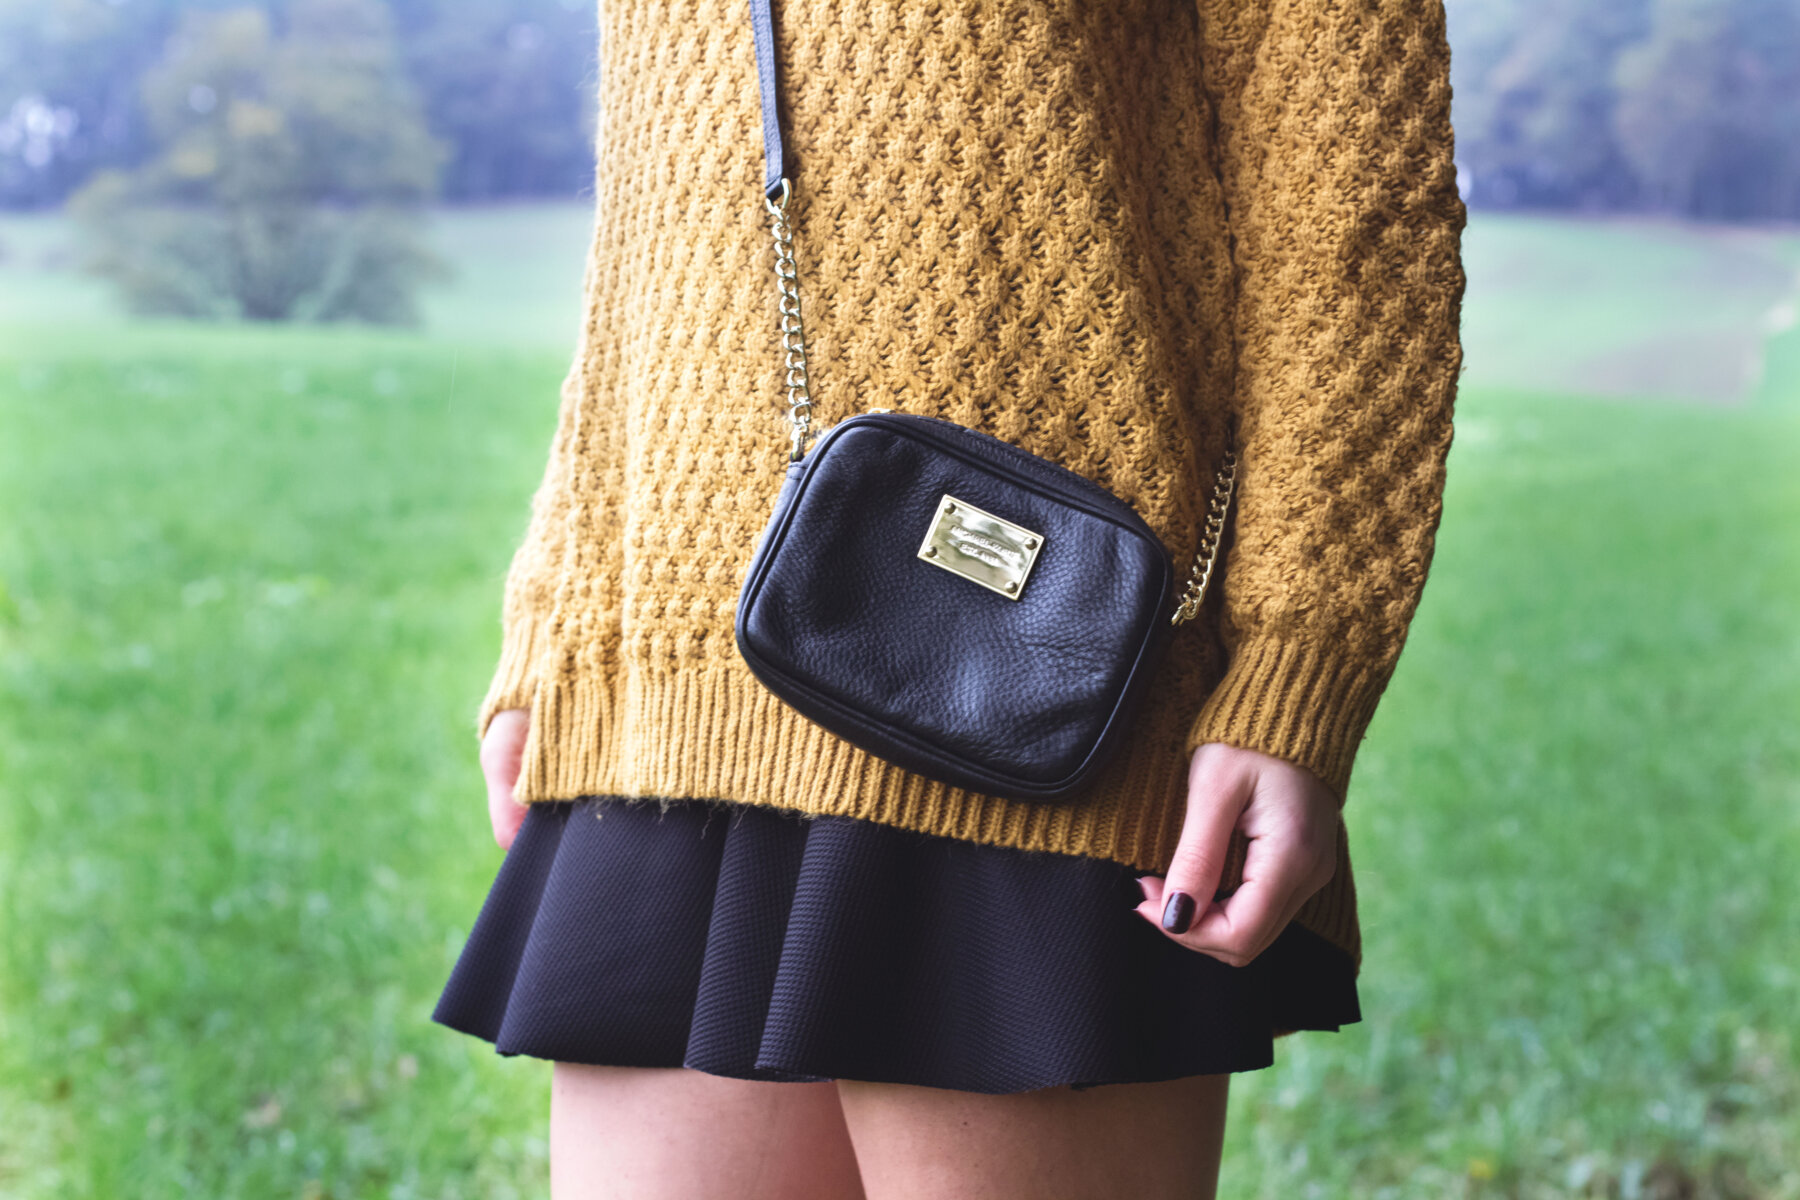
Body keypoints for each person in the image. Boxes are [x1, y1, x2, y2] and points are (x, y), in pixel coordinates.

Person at [433, 0, 1466, 1195]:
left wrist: (1300, 658)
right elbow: (663, 175)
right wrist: (560, 599)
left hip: (1041, 676)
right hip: (671, 674)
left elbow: (1353, 195)